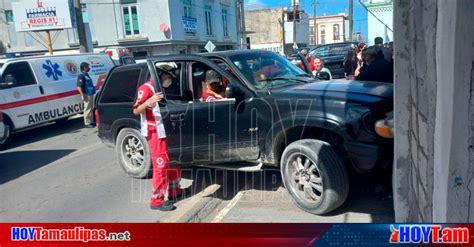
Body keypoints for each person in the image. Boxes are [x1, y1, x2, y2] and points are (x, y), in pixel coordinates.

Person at [132, 63, 183, 211]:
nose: (169, 79)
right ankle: (157, 200)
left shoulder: (159, 88)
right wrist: (148, 102)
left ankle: (175, 191)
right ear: (160, 74)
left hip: (165, 130)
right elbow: (136, 110)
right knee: (161, 165)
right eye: (167, 76)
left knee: (172, 161)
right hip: (155, 132)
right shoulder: (145, 88)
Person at [76, 62, 96, 128]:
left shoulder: (86, 75)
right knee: (87, 108)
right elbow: (79, 86)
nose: (89, 68)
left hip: (90, 93)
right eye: (87, 67)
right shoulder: (81, 76)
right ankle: (87, 122)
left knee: (91, 108)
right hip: (86, 94)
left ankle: (92, 121)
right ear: (84, 68)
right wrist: (82, 95)